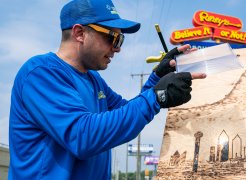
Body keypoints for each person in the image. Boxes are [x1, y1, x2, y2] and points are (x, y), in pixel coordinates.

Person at [8, 0, 206, 179]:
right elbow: (82, 136)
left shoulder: (94, 80)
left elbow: (125, 112)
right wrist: (156, 96)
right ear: (79, 33)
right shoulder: (40, 74)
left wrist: (157, 78)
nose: (117, 48)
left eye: (120, 41)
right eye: (113, 38)